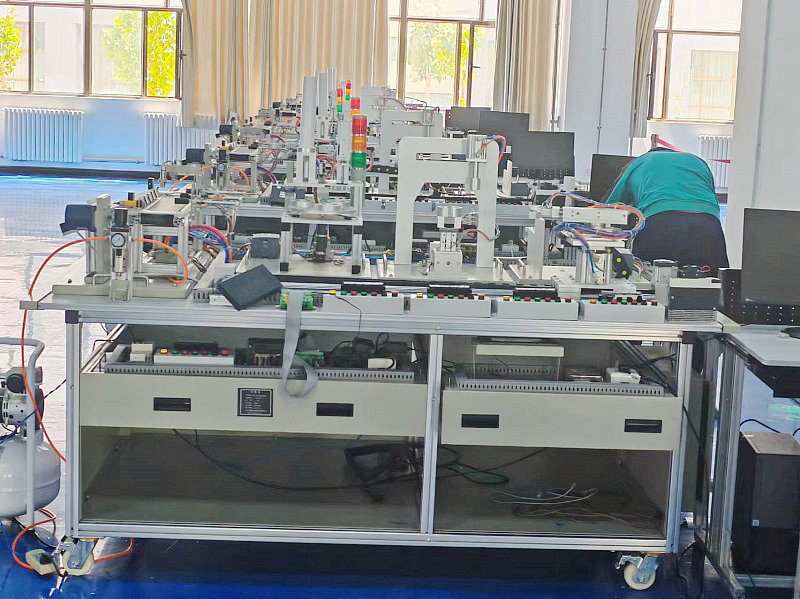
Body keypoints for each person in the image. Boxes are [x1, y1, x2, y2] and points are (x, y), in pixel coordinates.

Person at [605, 148, 729, 273]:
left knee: (648, 278)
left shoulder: (641, 161)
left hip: (661, 222)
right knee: (714, 281)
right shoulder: (698, 161)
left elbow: (609, 208)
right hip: (708, 226)